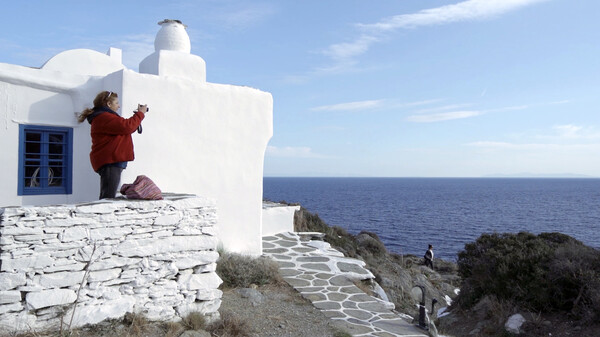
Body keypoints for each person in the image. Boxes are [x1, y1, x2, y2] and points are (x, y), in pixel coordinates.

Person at [78, 91, 147, 199]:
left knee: (108, 194)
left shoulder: (104, 117)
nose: (119, 106)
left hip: (110, 160)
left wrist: (137, 116)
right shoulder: (104, 117)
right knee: (108, 197)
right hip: (110, 161)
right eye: (116, 103)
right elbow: (127, 126)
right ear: (109, 104)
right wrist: (140, 114)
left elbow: (125, 128)